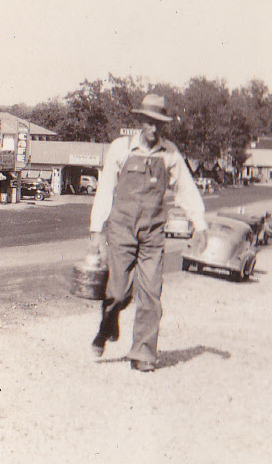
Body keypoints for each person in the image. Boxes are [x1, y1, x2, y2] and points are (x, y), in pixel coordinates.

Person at [88, 93, 208, 373]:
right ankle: (107, 324)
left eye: (160, 124)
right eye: (150, 123)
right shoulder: (121, 149)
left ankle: (143, 353)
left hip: (153, 234)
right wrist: (96, 229)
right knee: (118, 291)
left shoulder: (170, 154)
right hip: (121, 230)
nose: (155, 129)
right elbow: (105, 188)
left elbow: (185, 190)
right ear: (140, 121)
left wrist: (199, 225)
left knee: (151, 293)